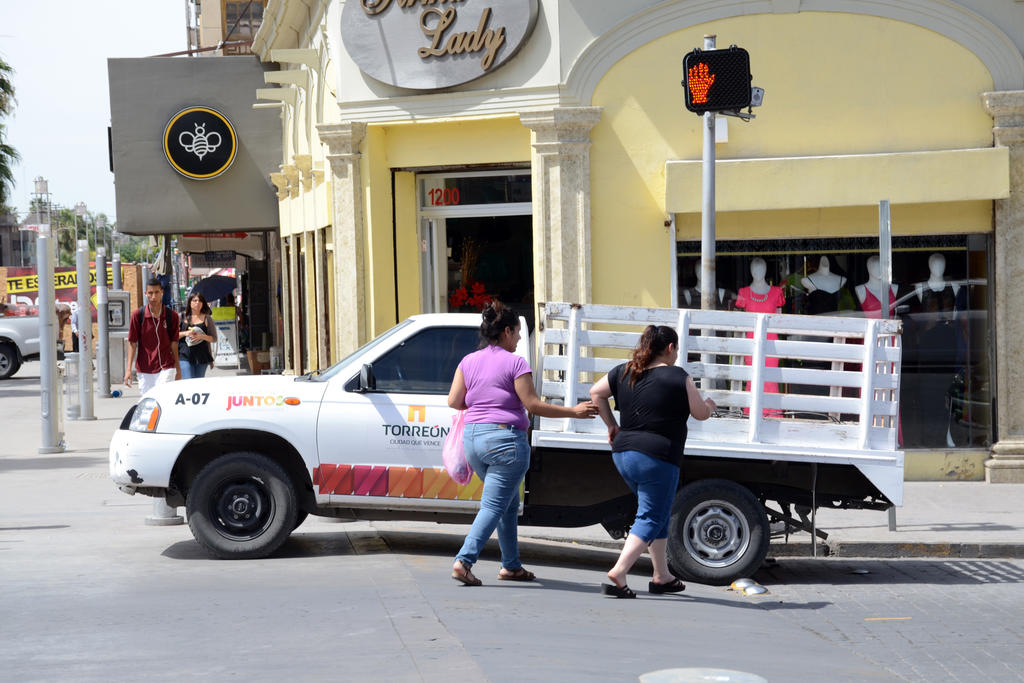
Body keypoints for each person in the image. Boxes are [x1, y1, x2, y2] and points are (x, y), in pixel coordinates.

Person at [447, 300, 598, 586]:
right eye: (517, 332)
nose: (518, 339)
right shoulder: (515, 363)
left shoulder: (468, 361)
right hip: (505, 443)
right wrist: (574, 411)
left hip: (473, 441)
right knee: (494, 505)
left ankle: (511, 566)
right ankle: (464, 561)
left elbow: (454, 401)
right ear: (506, 331)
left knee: (506, 503)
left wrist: (483, 403)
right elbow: (533, 405)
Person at [589, 325, 715, 598]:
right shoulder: (678, 376)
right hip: (657, 457)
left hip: (623, 454)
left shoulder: (624, 371)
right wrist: (709, 406)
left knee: (658, 511)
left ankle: (662, 576)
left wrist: (611, 425)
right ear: (670, 348)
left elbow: (595, 393)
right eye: (676, 349)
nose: (676, 354)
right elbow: (700, 413)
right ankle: (619, 571)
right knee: (651, 514)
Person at [124, 278, 181, 394]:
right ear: (145, 293)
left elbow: (174, 343)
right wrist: (128, 369)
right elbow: (132, 343)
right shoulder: (138, 315)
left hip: (167, 366)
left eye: (156, 292)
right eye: (150, 293)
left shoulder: (172, 316)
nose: (153, 296)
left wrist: (178, 369)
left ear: (162, 292)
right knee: (148, 401)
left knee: (163, 397)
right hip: (145, 367)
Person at [178, 293, 216, 379]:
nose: (197, 303)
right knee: (188, 382)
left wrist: (201, 336)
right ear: (189, 302)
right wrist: (185, 333)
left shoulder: (207, 318)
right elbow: (173, 336)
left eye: (200, 301)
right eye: (194, 300)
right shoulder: (181, 317)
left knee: (198, 383)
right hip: (184, 355)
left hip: (202, 357)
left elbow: (214, 338)